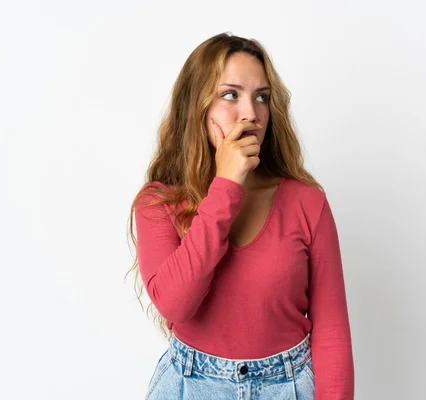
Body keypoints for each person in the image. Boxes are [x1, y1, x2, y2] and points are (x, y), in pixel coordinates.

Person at [125, 32, 354, 399]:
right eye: (230, 94)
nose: (251, 113)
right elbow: (176, 305)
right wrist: (226, 186)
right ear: (196, 106)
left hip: (288, 387)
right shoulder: (158, 204)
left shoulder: (306, 203)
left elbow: (332, 332)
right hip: (188, 385)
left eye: (261, 97)